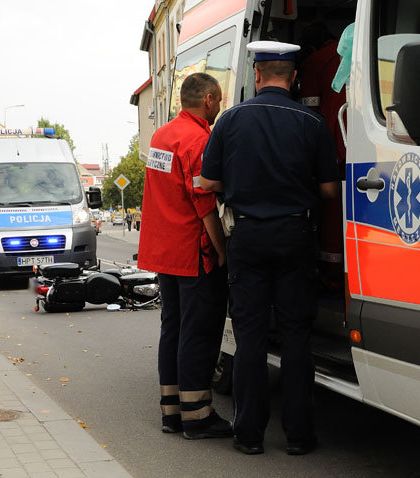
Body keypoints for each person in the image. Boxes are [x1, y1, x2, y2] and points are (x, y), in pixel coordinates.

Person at [200, 41, 340, 456]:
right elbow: (330, 189)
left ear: (257, 76)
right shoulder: (312, 123)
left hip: (247, 238)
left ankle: (249, 436)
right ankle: (299, 437)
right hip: (296, 237)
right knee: (296, 336)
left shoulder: (229, 121)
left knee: (250, 338)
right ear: (294, 77)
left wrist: (243, 183)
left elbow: (207, 183)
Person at [137, 72, 232, 440]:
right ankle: (198, 416)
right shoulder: (198, 140)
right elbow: (204, 202)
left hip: (164, 251)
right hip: (193, 252)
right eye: (219, 100)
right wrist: (221, 251)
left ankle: (172, 411)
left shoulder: (162, 135)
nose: (220, 106)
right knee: (200, 331)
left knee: (172, 329)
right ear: (207, 99)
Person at [299, 23, 347, 292]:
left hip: (333, 145)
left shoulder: (315, 62)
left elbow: (309, 111)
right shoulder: (353, 53)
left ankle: (332, 278)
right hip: (363, 143)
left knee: (331, 217)